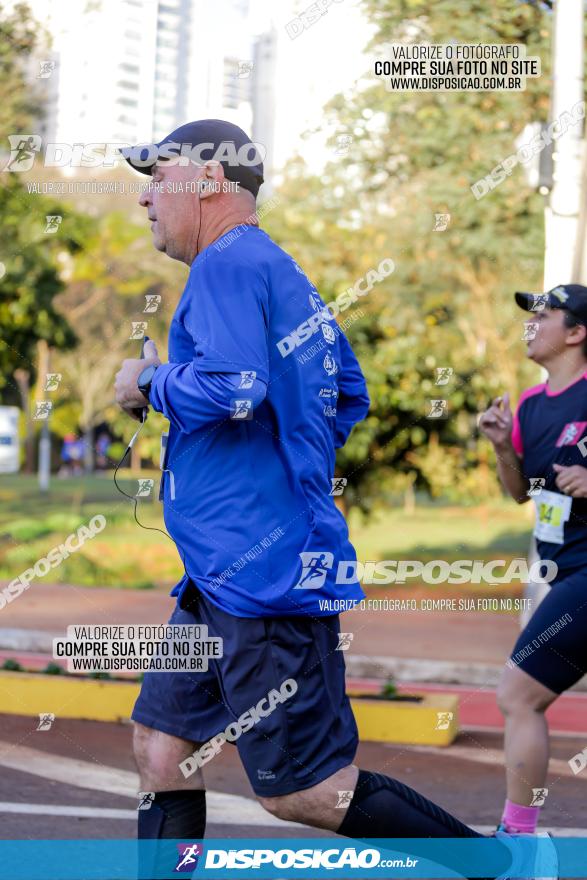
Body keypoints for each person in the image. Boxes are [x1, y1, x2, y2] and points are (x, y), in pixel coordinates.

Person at [114, 119, 555, 879]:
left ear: (211, 181)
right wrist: (281, 468)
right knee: (161, 750)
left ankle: (501, 866)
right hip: (220, 572)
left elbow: (236, 387)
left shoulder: (225, 266)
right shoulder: (280, 272)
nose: (147, 196)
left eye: (160, 175)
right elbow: (347, 394)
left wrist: (147, 385)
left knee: (308, 793)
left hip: (262, 580)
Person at [479, 284, 587, 838]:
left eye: (544, 316)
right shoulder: (529, 405)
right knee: (524, 697)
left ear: (576, 332)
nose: (532, 324)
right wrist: (502, 446)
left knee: (518, 694)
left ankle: (519, 842)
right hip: (566, 572)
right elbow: (522, 494)